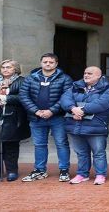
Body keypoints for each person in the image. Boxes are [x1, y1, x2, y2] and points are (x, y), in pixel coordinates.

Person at [18, 52, 72, 182]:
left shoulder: (65, 78)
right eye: (45, 62)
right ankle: (40, 170)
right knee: (39, 144)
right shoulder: (30, 78)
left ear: (56, 64)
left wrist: (52, 111)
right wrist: (35, 111)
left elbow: (67, 96)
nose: (48, 64)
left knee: (61, 143)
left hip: (57, 117)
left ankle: (64, 170)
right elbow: (23, 96)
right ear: (41, 63)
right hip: (37, 118)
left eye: (51, 62)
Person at [60, 66, 109, 185]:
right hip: (76, 125)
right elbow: (65, 99)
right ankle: (82, 174)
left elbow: (102, 104)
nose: (86, 75)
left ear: (99, 76)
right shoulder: (75, 86)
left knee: (98, 152)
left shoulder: (107, 89)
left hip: (96, 126)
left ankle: (100, 175)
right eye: (85, 73)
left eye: (90, 73)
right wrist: (72, 109)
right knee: (81, 153)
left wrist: (82, 110)